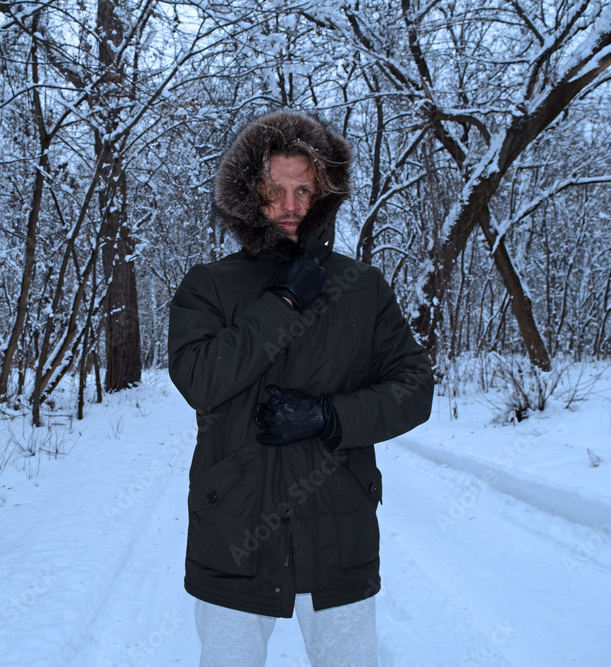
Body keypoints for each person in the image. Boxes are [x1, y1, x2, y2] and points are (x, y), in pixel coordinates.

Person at [167, 110, 434, 666]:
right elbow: (199, 378)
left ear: (324, 194)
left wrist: (329, 417)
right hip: (233, 535)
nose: (290, 206)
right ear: (248, 194)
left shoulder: (360, 286)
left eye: (303, 190)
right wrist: (283, 303)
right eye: (274, 190)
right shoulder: (208, 285)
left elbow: (415, 387)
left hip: (339, 531)